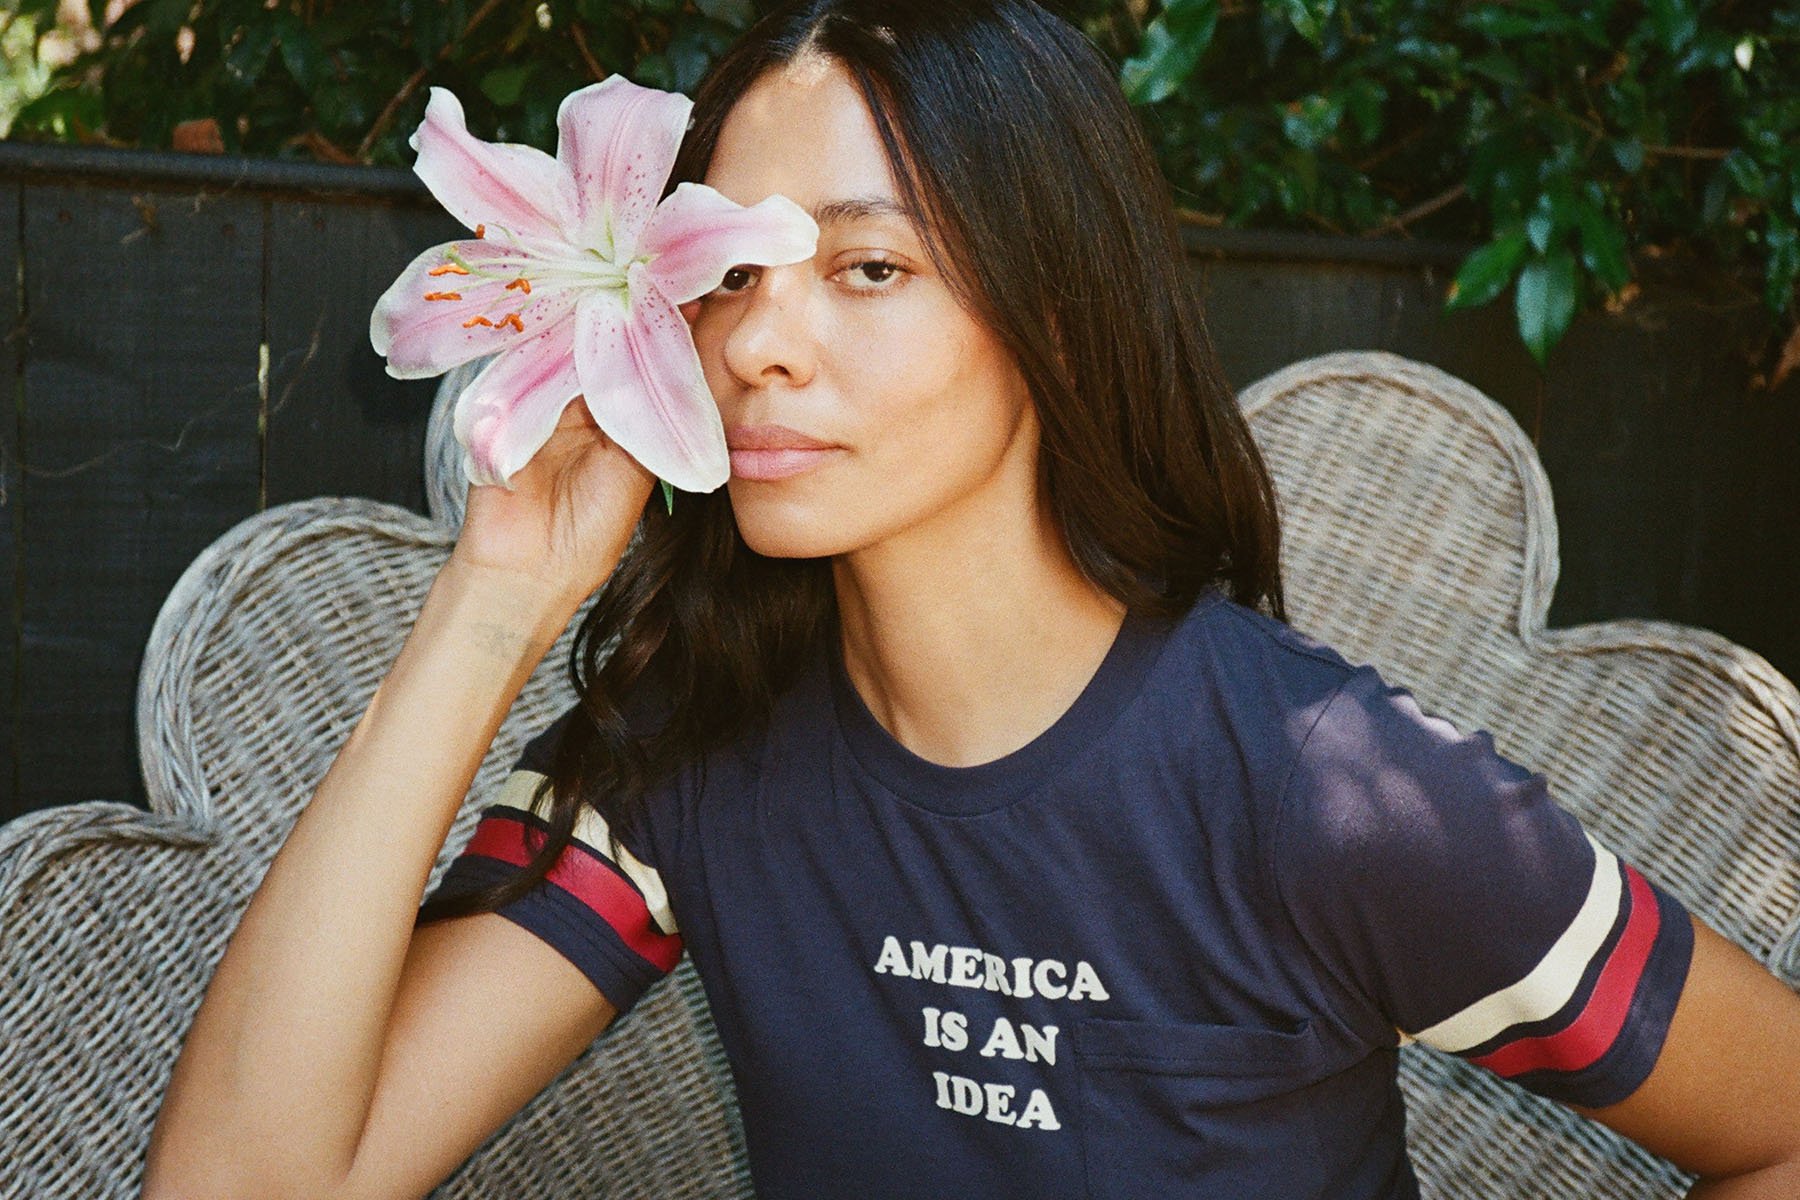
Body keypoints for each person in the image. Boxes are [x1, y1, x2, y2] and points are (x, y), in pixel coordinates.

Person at [143, 2, 1800, 1197]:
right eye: (724, 277)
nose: (757, 344)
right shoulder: (685, 762)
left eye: (870, 268)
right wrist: (496, 594)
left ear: (1058, 316)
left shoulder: (1333, 792)